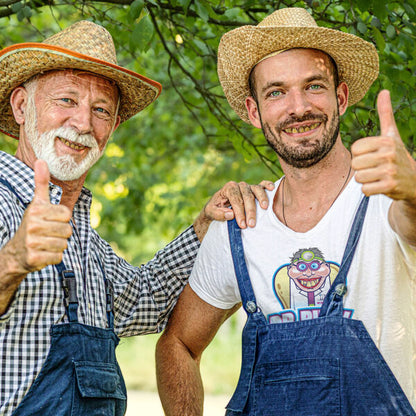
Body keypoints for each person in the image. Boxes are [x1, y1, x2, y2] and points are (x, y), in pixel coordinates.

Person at [0, 20, 272, 416]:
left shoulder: (85, 242)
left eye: (101, 110)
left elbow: (148, 298)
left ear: (111, 128)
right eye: (66, 101)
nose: (82, 123)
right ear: (22, 106)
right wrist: (12, 261)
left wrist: (204, 226)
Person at [156, 7, 416, 416]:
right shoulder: (240, 226)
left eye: (313, 86)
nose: (298, 108)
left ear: (341, 97)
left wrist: (413, 190)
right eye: (276, 92)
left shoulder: (390, 200)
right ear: (255, 112)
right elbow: (178, 345)